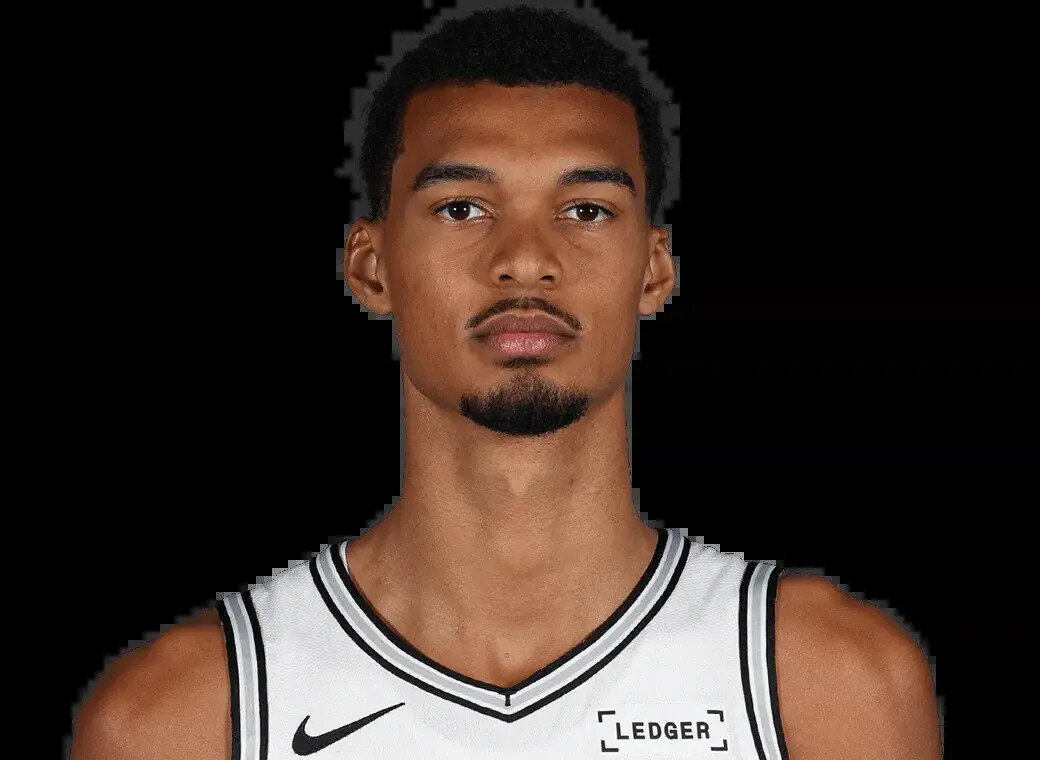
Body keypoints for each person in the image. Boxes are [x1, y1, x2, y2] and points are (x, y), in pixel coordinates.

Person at [71, 5, 942, 758]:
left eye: (586, 210)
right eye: (463, 208)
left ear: (654, 270)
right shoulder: (189, 715)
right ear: (370, 266)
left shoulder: (825, 681)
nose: (525, 260)